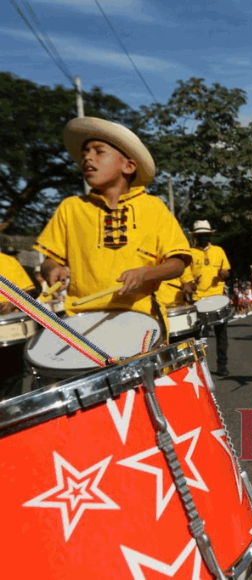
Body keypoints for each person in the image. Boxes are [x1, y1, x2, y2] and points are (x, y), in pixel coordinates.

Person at [34, 117, 191, 344]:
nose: (88, 157)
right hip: (81, 322)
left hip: (142, 318)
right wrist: (52, 268)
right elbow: (49, 261)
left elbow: (177, 263)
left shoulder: (154, 207)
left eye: (99, 151)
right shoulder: (71, 207)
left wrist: (145, 274)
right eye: (85, 153)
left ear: (128, 166)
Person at [190, 219, 231, 376]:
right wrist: (191, 282)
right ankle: (197, 367)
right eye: (200, 235)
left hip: (217, 297)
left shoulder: (219, 251)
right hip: (197, 299)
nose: (203, 237)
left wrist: (223, 274)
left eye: (206, 234)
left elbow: (226, 271)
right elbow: (185, 276)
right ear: (195, 236)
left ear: (210, 235)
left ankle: (222, 365)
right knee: (195, 336)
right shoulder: (190, 253)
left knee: (222, 334)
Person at [0, 228, 37, 400]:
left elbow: (27, 293)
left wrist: (11, 303)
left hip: (10, 337)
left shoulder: (8, 262)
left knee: (13, 382)